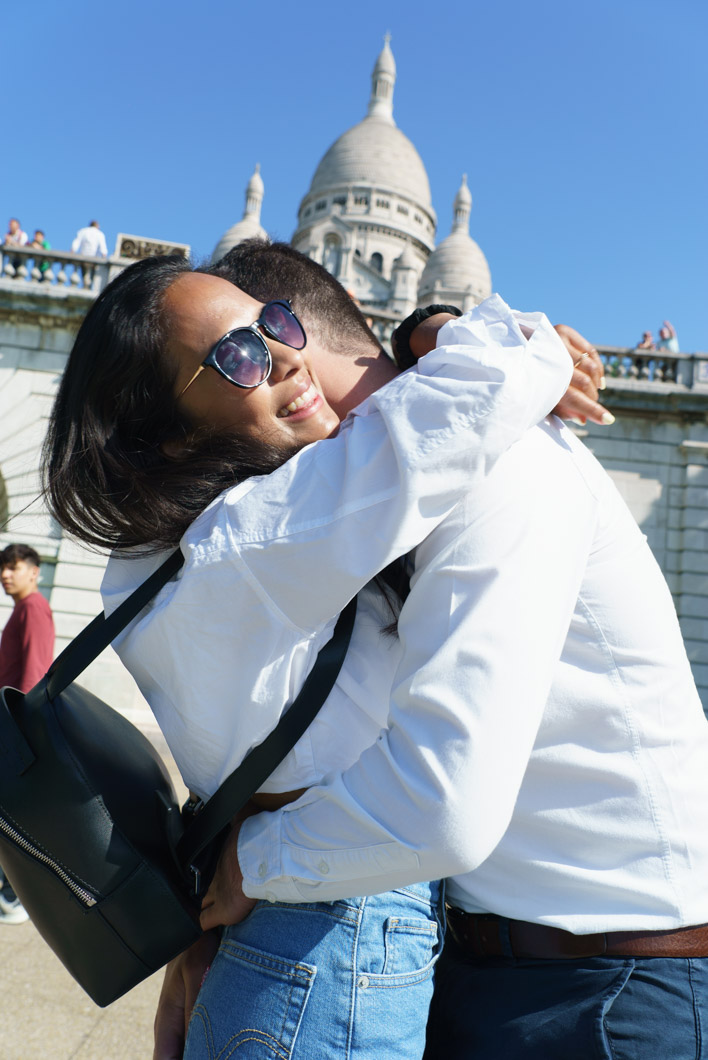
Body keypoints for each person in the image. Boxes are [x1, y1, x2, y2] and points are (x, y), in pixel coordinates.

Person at [43, 251, 590, 1059]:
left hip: (289, 942)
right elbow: (479, 395)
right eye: (236, 354)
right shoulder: (258, 532)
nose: (284, 354)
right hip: (336, 936)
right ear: (162, 433)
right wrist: (457, 330)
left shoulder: (150, 562)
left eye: (274, 322)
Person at [192, 242, 707, 1060]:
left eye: (233, 369)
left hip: (607, 995)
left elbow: (442, 802)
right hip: (507, 970)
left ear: (282, 348)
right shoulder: (397, 493)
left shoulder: (498, 460)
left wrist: (248, 864)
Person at [0, 543, 55, 926]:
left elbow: (33, 678)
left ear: (33, 571)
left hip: (12, 729)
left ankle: (13, 895)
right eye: (2, 568)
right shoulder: (23, 609)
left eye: (13, 567)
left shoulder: (33, 608)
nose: (5, 574)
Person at [71, 220, 108, 286]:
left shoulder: (83, 231)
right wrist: (104, 257)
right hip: (94, 260)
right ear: (97, 226)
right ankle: (88, 286)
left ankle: (85, 285)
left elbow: (76, 242)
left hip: (83, 257)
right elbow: (103, 248)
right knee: (91, 277)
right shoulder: (99, 234)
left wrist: (73, 251)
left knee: (84, 275)